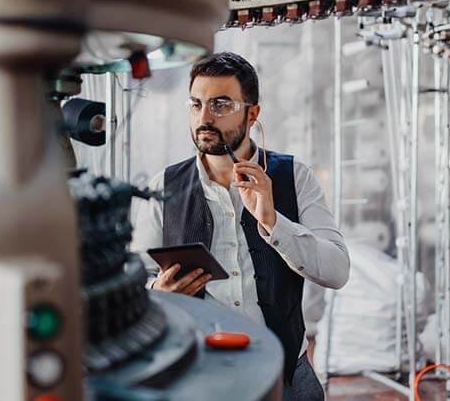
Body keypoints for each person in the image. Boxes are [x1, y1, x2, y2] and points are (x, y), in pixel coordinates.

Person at [133, 51, 350, 400]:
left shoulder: (294, 177)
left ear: (252, 114)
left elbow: (337, 271)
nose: (204, 118)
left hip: (288, 376)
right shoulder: (164, 186)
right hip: (199, 375)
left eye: (220, 105)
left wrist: (272, 221)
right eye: (196, 104)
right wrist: (158, 293)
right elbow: (134, 285)